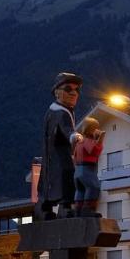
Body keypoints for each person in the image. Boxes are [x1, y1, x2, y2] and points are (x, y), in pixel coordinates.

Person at [35, 72, 84, 220]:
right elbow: (65, 128)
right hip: (57, 152)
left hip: (57, 152)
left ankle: (47, 206)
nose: (74, 93)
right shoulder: (59, 112)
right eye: (69, 89)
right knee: (66, 172)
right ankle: (64, 206)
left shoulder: (61, 110)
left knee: (58, 175)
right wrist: (73, 136)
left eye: (77, 90)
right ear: (57, 92)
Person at [72, 116, 104, 217]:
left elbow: (74, 156)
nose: (97, 130)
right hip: (87, 169)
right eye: (95, 128)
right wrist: (100, 140)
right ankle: (88, 210)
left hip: (78, 170)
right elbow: (94, 151)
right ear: (91, 129)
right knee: (93, 187)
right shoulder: (88, 140)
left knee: (80, 190)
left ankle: (78, 209)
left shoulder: (79, 142)